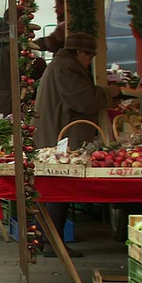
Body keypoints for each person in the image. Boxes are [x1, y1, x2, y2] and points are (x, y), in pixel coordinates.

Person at [33, 32, 121, 258]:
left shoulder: (62, 65)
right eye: (89, 56)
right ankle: (53, 242)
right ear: (79, 52)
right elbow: (83, 100)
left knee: (53, 190)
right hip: (59, 134)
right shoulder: (67, 68)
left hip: (56, 131)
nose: (90, 61)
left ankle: (49, 238)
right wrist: (108, 92)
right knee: (58, 190)